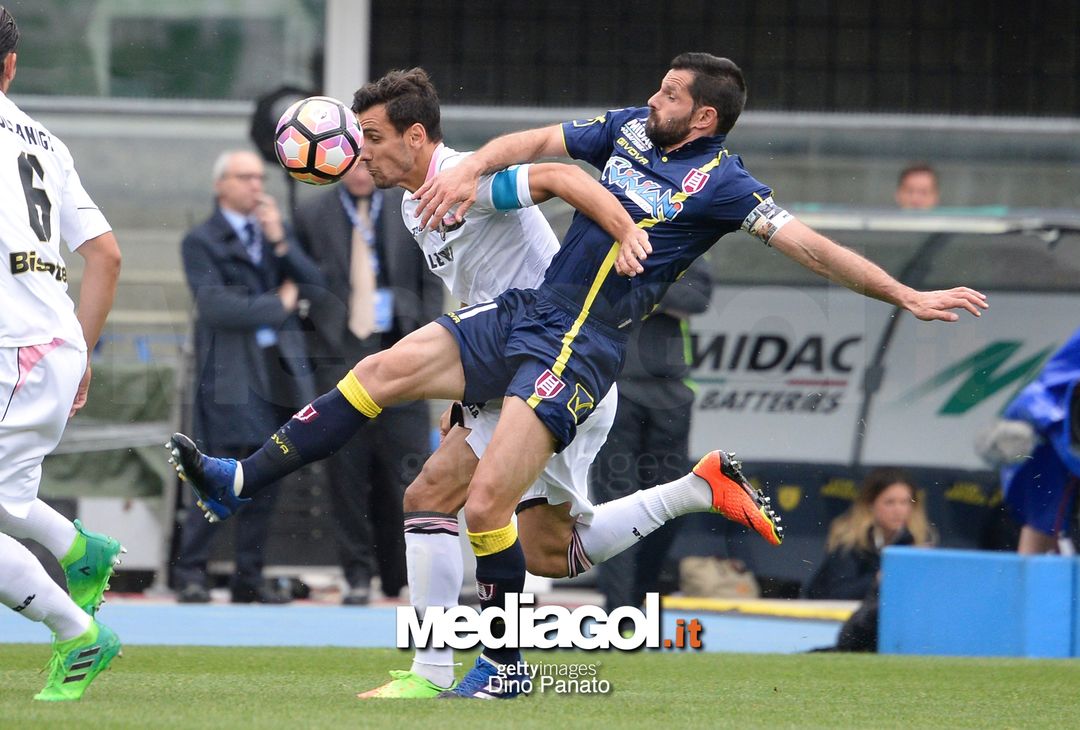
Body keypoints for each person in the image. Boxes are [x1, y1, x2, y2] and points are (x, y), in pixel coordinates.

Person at [173, 54, 983, 699]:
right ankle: (242, 480)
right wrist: (474, 166)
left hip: (579, 346)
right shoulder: (626, 130)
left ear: (704, 116)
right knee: (388, 387)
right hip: (525, 317)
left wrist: (904, 294)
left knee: (511, 525)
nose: (653, 97)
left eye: (670, 93)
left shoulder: (725, 183)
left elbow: (810, 247)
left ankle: (509, 660)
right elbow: (541, 144)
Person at [0, 6, 124, 701]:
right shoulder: (46, 141)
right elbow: (105, 255)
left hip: (11, 350)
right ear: (11, 67)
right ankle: (81, 551)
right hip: (49, 344)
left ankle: (77, 632)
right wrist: (81, 351)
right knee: (5, 496)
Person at [172, 149, 325, 604]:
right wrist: (279, 305)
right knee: (212, 469)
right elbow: (217, 307)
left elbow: (316, 284)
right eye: (244, 177)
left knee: (266, 473)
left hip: (277, 372)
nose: (256, 186)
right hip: (230, 372)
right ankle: (191, 573)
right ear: (221, 185)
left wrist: (281, 243)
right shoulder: (201, 240)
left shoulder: (273, 233)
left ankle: (248, 575)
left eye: (260, 178)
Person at [294, 160, 442, 604]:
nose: (359, 172)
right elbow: (302, 286)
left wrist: (425, 338)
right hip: (340, 360)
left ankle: (403, 576)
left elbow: (430, 279)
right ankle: (357, 575)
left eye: (366, 162)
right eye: (351, 163)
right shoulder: (311, 214)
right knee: (347, 476)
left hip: (401, 356)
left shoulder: (407, 205)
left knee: (408, 474)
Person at [591, 255, 712, 610]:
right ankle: (619, 612)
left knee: (671, 506)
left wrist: (637, 285)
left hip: (671, 397)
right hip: (613, 390)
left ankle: (637, 598)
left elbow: (696, 298)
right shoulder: (603, 235)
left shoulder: (684, 236)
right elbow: (594, 291)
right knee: (614, 506)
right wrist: (663, 287)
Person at [803, 468, 934, 652]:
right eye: (890, 502)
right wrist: (878, 580)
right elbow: (837, 592)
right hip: (842, 624)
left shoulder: (919, 542)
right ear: (870, 505)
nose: (899, 510)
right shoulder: (850, 541)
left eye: (905, 502)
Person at [977, 327, 1080, 554]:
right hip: (1062, 456)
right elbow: (1044, 389)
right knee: (1041, 525)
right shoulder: (1053, 413)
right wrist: (1030, 421)